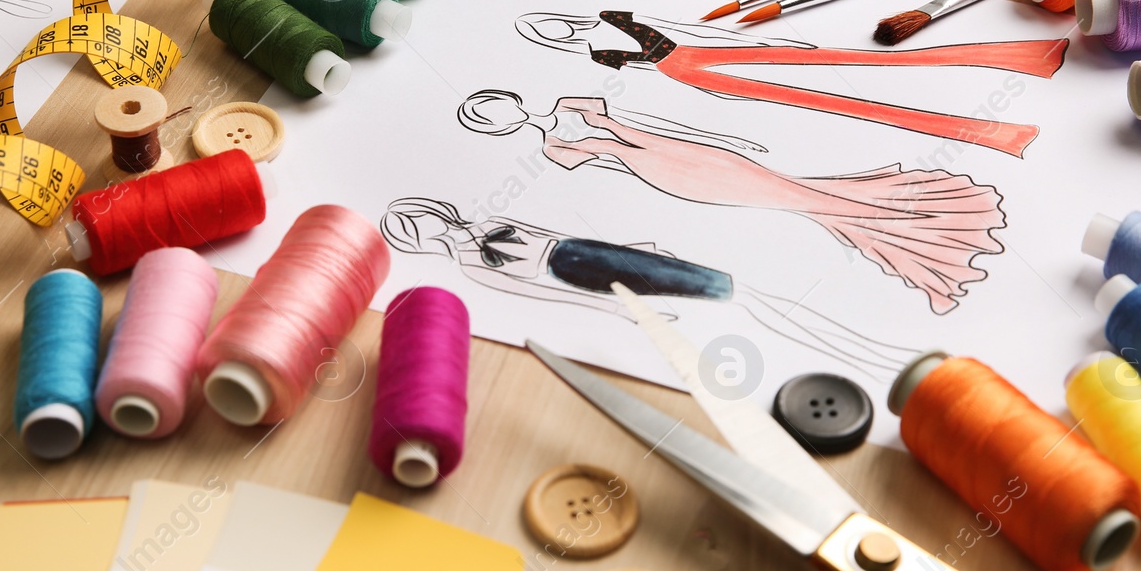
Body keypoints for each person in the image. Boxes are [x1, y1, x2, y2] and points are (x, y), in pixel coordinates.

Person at [459, 90, 1004, 313]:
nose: (502, 118)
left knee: (802, 193)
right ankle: (926, 236)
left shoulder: (572, 103)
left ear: (504, 102)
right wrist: (583, 138)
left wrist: (726, 143)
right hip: (673, 177)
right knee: (799, 203)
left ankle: (923, 223)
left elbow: (633, 123)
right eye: (490, 123)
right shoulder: (553, 147)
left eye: (495, 110)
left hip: (685, 156)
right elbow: (599, 152)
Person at [381, 197, 918, 378]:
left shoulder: (486, 220)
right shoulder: (474, 267)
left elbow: (557, 234)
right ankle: (863, 355)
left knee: (737, 289)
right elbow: (549, 295)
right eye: (412, 234)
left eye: (416, 219)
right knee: (734, 302)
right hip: (577, 273)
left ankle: (869, 348)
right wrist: (625, 312)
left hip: (595, 252)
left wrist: (635, 247)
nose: (424, 230)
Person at [515, 10, 1068, 158]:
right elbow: (649, 73)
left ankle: (1021, 57)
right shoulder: (596, 52)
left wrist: (771, 47)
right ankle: (994, 132)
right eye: (544, 34)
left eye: (545, 23)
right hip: (688, 72)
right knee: (830, 100)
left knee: (864, 64)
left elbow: (680, 27)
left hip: (707, 48)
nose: (551, 30)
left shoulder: (613, 19)